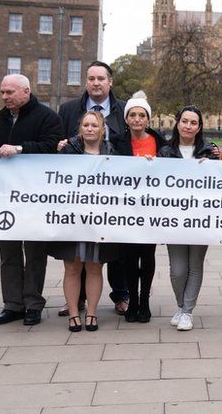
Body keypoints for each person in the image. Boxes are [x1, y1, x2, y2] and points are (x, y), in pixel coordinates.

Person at [0, 74, 63, 326]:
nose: (5, 97)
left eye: (10, 92)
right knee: (8, 253)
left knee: (34, 252)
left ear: (26, 91)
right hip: (6, 199)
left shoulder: (47, 117)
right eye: (3, 92)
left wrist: (20, 148)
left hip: (36, 198)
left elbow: (53, 148)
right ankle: (12, 304)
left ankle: (32, 304)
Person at [56, 61, 129, 317]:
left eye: (101, 78)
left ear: (110, 82)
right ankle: (76, 301)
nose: (96, 83)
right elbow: (54, 147)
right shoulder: (67, 110)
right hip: (77, 199)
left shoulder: (124, 110)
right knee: (77, 256)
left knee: (110, 253)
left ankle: (120, 295)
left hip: (112, 198)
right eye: (91, 78)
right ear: (86, 82)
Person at [49, 111, 120, 332]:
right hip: (73, 219)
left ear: (102, 129)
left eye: (94, 125)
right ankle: (73, 314)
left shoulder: (112, 153)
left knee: (94, 266)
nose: (90, 129)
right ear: (81, 128)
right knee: (72, 267)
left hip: (99, 221)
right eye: (86, 125)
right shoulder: (68, 151)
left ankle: (91, 313)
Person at [159, 104, 218, 330]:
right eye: (185, 121)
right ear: (178, 122)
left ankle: (187, 312)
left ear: (199, 126)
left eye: (194, 122)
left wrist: (213, 166)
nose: (188, 126)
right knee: (178, 270)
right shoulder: (165, 152)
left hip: (201, 218)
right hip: (174, 219)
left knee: (195, 265)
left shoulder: (208, 151)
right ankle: (181, 305)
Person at [114, 92, 167, 323]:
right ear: (126, 119)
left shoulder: (159, 142)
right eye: (133, 115)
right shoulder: (116, 142)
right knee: (127, 258)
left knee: (147, 257)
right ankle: (132, 300)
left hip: (150, 210)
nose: (137, 119)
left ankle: (144, 301)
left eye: (141, 115)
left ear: (148, 119)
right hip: (126, 210)